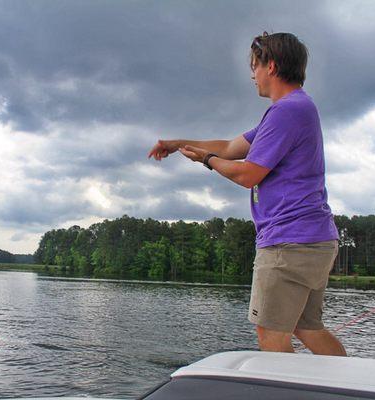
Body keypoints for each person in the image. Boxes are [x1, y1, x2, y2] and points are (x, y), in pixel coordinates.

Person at [148, 32, 346, 356]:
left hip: (288, 241)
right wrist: (174, 144)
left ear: (271, 66)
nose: (252, 75)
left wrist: (208, 162)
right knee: (307, 327)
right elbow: (230, 147)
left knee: (270, 333)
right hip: (314, 239)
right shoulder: (294, 109)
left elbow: (247, 173)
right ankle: (352, 387)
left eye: (254, 66)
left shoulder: (287, 111)